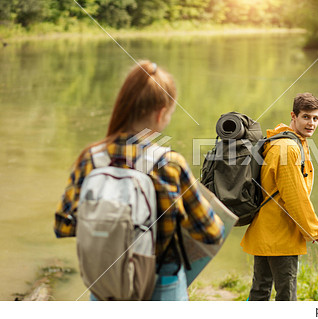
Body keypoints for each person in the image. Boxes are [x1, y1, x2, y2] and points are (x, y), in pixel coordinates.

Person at [54, 61, 224, 301]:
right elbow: (211, 232)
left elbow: (64, 226)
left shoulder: (90, 159)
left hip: (106, 285)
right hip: (160, 286)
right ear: (161, 112)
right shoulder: (169, 163)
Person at [240, 92, 318, 301]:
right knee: (286, 296)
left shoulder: (279, 139)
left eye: (315, 118)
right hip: (281, 233)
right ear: (294, 115)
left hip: (265, 229)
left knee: (260, 291)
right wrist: (315, 231)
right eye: (306, 117)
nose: (311, 123)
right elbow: (295, 196)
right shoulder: (288, 148)